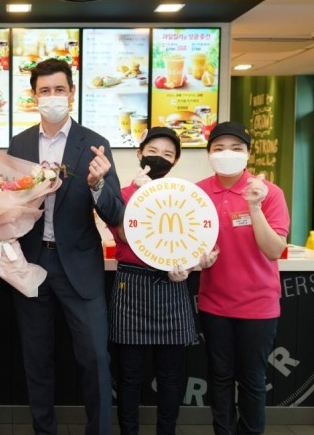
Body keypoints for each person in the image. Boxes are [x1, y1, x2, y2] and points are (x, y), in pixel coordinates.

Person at [7, 58, 124, 434]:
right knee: (37, 360)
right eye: (45, 91)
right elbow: (10, 204)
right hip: (33, 263)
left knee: (94, 358)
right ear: (33, 97)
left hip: (80, 266)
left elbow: (115, 212)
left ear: (71, 94)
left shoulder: (95, 144)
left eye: (59, 90)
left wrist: (97, 185)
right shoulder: (21, 143)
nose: (52, 97)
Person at [196, 121, 289, 434]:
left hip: (258, 306)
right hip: (214, 304)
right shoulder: (197, 193)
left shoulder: (269, 193)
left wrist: (255, 207)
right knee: (219, 379)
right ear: (209, 153)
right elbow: (187, 245)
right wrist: (198, 259)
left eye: (236, 148)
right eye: (219, 148)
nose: (227, 154)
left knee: (251, 382)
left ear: (249, 154)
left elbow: (274, 250)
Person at [108, 127, 197, 435]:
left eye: (168, 154)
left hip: (171, 286)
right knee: (130, 375)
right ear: (140, 153)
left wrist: (187, 264)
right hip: (131, 286)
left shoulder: (183, 196)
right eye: (153, 151)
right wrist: (140, 196)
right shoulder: (121, 194)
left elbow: (191, 239)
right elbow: (122, 234)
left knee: (171, 375)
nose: (160, 158)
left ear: (175, 162)